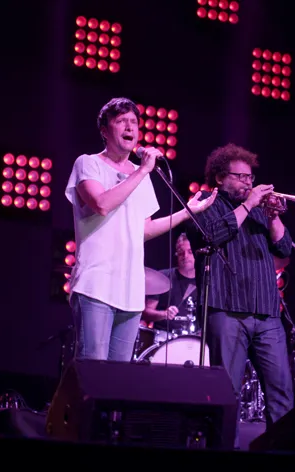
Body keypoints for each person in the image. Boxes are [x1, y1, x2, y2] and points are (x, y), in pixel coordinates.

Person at [65, 97, 217, 362]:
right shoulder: (88, 163)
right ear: (104, 130)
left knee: (120, 375)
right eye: (121, 121)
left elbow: (144, 230)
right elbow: (101, 204)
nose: (130, 127)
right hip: (95, 285)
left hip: (131, 290)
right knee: (93, 371)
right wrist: (143, 170)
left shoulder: (141, 175)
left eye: (134, 122)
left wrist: (188, 211)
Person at [184, 143, 294, 439]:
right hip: (226, 308)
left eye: (250, 177)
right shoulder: (204, 201)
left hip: (267, 312)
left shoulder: (258, 210)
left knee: (282, 394)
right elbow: (211, 235)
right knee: (226, 394)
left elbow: (284, 248)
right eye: (241, 177)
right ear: (220, 178)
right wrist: (248, 205)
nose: (248, 183)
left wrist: (273, 216)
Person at [143, 232, 198, 333]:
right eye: (181, 252)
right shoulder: (162, 278)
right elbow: (146, 312)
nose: (185, 256)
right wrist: (164, 314)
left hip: (193, 339)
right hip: (163, 336)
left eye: (190, 252)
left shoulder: (205, 282)